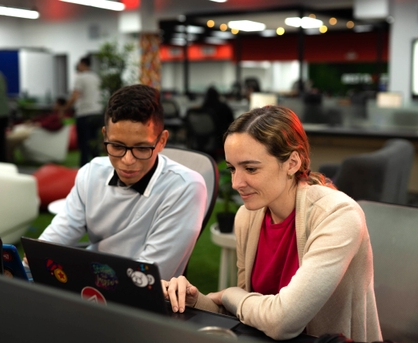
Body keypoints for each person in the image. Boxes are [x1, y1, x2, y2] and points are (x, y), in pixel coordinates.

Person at [163, 105, 382, 342]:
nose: (236, 183)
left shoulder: (338, 215)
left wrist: (230, 295)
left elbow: (281, 321)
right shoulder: (247, 217)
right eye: (232, 169)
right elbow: (248, 311)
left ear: (292, 163)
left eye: (250, 168)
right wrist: (196, 301)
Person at [33, 84, 207, 280]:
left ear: (162, 141)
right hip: (93, 281)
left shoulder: (185, 187)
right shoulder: (91, 173)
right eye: (116, 146)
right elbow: (58, 235)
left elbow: (147, 277)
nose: (127, 160)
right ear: (105, 135)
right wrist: (30, 264)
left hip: (139, 299)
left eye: (141, 148)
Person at [65, 54, 103, 166]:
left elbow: (75, 96)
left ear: (82, 64)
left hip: (84, 114)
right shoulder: (96, 77)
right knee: (94, 142)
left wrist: (65, 108)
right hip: (97, 113)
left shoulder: (80, 78)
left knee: (84, 144)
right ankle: (98, 167)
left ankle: (83, 168)